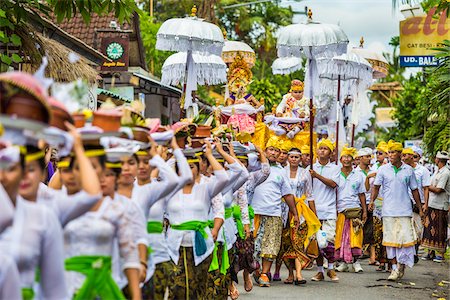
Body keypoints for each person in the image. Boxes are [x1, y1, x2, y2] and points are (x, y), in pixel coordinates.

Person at [166, 141, 229, 299]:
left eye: (191, 167)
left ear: (199, 168)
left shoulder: (206, 187)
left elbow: (224, 178)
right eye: (183, 168)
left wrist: (208, 155)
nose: (187, 171)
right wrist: (176, 148)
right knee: (176, 287)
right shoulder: (169, 189)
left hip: (201, 245)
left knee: (198, 287)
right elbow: (163, 169)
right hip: (175, 246)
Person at [369, 140, 423, 281]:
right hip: (388, 212)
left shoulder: (408, 170)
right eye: (389, 153)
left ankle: (401, 265)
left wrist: (421, 208)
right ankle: (394, 269)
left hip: (405, 211)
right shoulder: (383, 170)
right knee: (390, 241)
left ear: (400, 154)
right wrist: (371, 201)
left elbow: (415, 190)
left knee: (404, 241)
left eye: (393, 152)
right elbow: (376, 187)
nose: (391, 155)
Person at [252, 136, 300, 287]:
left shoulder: (281, 172)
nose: (273, 153)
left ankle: (265, 274)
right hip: (255, 213)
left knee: (270, 245)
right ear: (265, 151)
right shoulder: (254, 166)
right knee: (254, 246)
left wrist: (295, 213)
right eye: (271, 149)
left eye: (276, 151)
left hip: (274, 213)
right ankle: (256, 269)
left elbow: (287, 194)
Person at [282, 147, 318, 285]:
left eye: (297, 157)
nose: (294, 159)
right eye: (291, 156)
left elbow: (310, 195)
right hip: (284, 210)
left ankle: (299, 274)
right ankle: (290, 273)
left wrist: (314, 215)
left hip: (301, 211)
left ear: (300, 158)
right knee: (286, 243)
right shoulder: (282, 172)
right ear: (287, 157)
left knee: (297, 242)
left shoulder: (305, 173)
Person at [309, 138, 340, 282]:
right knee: (317, 243)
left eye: (325, 148)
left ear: (331, 153)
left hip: (328, 210)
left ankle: (331, 268)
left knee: (328, 241)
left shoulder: (335, 168)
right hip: (314, 211)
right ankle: (320, 271)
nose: (322, 150)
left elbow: (333, 184)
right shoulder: (310, 168)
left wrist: (316, 176)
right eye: (320, 148)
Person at [335, 147, 367, 273]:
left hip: (355, 209)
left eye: (349, 157)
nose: (346, 159)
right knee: (341, 237)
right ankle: (343, 262)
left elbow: (362, 194)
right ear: (340, 159)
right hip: (340, 209)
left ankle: (356, 262)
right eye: (344, 157)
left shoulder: (358, 175)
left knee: (356, 236)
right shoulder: (336, 174)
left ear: (353, 160)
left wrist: (364, 211)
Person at [402, 147, 431, 262]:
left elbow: (426, 188)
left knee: (418, 230)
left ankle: (415, 250)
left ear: (418, 158)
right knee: (407, 229)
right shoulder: (403, 169)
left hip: (419, 204)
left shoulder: (422, 170)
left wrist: (425, 205)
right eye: (409, 155)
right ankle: (409, 253)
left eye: (415, 156)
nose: (412, 158)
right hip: (405, 203)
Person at [422, 151, 450, 263]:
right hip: (432, 204)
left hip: (440, 205)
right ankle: (430, 252)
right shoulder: (437, 172)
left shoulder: (445, 173)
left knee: (439, 229)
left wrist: (427, 186)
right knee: (430, 229)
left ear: (438, 160)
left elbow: (439, 189)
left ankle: (440, 253)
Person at [355, 147, 377, 265]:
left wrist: (373, 201)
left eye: (370, 156)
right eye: (367, 156)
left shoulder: (374, 170)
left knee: (371, 230)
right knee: (359, 229)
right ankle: (359, 253)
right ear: (360, 158)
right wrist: (368, 178)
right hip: (359, 202)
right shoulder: (355, 172)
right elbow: (363, 189)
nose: (369, 159)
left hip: (371, 202)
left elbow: (375, 188)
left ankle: (372, 256)